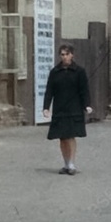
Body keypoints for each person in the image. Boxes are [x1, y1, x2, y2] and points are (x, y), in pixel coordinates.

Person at [42, 44, 92, 175]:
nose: (64, 57)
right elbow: (49, 91)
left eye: (67, 54)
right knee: (62, 138)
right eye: (62, 54)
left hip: (74, 108)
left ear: (72, 55)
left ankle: (72, 164)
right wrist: (46, 108)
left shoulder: (79, 71)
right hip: (60, 109)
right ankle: (65, 163)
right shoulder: (55, 72)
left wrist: (87, 105)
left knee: (71, 136)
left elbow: (84, 90)